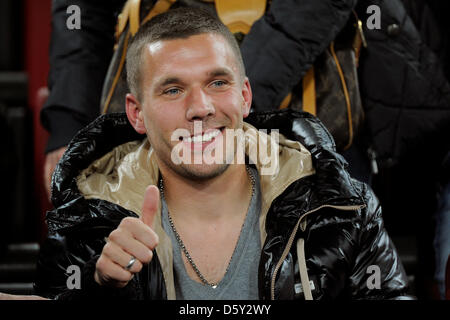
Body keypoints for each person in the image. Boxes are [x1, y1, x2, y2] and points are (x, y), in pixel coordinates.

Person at [34, 8, 412, 300]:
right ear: (136, 114)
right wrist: (100, 290)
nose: (201, 107)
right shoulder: (84, 219)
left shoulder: (341, 205)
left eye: (217, 83)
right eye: (172, 90)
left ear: (245, 96)